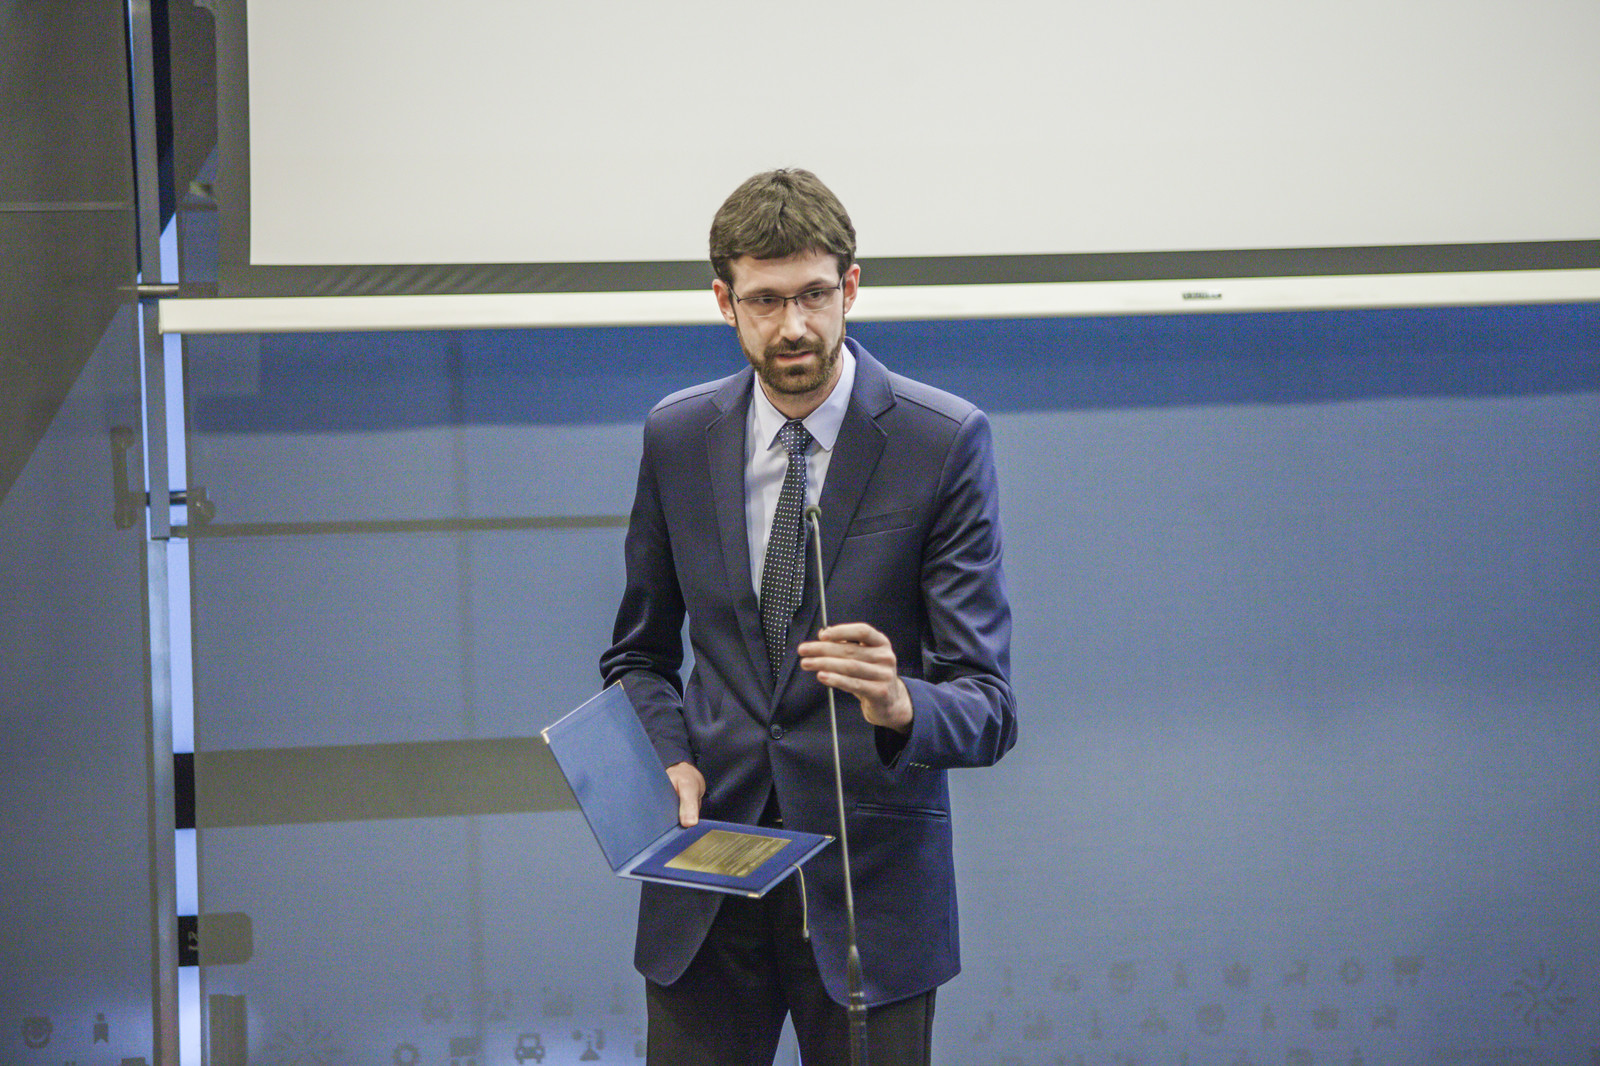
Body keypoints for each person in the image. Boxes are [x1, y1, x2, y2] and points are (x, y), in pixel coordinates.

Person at [600, 168, 1016, 1065]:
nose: (794, 326)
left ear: (850, 287)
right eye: (766, 300)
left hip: (870, 892)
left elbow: (987, 705)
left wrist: (900, 702)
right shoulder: (677, 437)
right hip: (708, 885)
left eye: (815, 295)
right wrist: (667, 756)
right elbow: (637, 658)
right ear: (725, 302)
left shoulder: (941, 441)